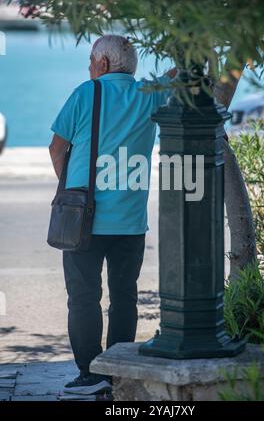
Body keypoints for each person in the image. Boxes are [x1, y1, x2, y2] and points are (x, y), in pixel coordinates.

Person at [49, 35, 176, 395]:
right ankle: (117, 372)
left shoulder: (85, 94)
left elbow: (57, 147)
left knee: (84, 297)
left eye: (91, 61)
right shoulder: (150, 94)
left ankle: (89, 374)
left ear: (103, 64)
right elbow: (180, 73)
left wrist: (70, 187)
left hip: (82, 220)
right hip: (130, 221)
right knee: (125, 297)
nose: (89, 68)